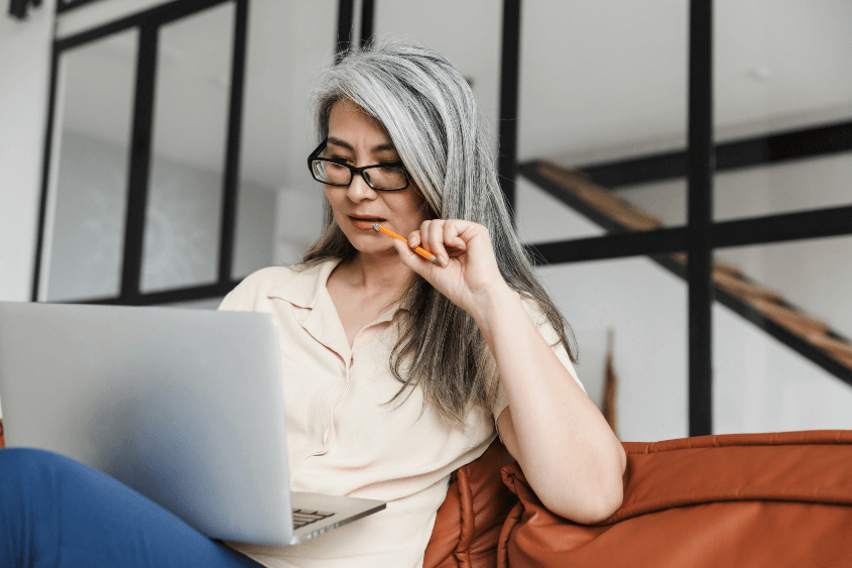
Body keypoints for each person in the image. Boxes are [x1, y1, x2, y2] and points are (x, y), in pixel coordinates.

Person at [0, 39, 624, 568]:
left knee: (27, 486)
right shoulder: (268, 295)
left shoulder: (492, 320)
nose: (356, 192)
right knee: (31, 481)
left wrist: (489, 301)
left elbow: (592, 493)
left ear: (442, 174)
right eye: (339, 162)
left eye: (389, 166)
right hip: (209, 549)